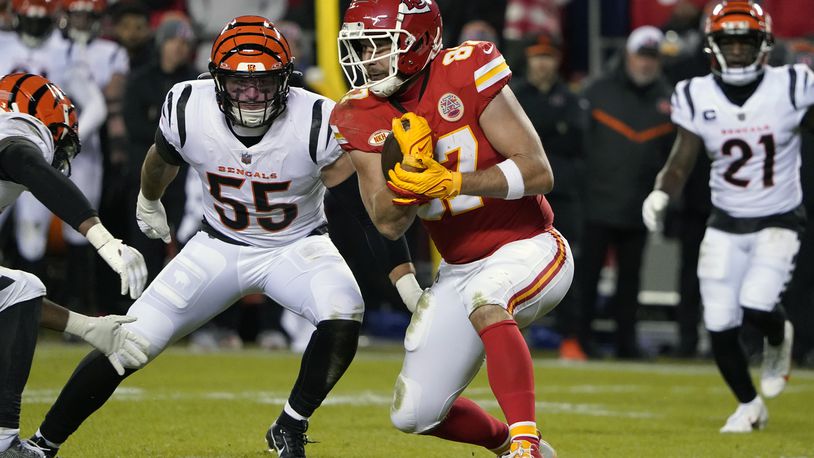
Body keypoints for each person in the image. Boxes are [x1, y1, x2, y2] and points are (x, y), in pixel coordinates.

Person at [28, 16, 422, 458]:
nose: (252, 96)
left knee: (344, 309)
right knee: (128, 342)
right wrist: (149, 200)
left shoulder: (317, 119)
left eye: (265, 83)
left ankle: (290, 424)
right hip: (216, 245)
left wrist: (403, 279)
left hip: (295, 245)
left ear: (285, 81)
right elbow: (161, 159)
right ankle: (43, 444)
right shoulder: (186, 106)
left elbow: (361, 208)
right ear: (216, 80)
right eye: (238, 84)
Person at [331, 1, 574, 457]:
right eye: (360, 46)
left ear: (419, 42)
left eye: (379, 45)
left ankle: (523, 441)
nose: (366, 58)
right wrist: (407, 184)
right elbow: (387, 222)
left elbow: (539, 172)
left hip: (529, 245)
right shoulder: (358, 113)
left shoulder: (466, 69)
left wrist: (452, 180)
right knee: (414, 414)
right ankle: (516, 446)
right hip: (458, 267)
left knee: (489, 300)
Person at [642, 0, 810, 432]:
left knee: (756, 303)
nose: (736, 50)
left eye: (745, 41)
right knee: (718, 320)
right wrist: (662, 192)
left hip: (778, 217)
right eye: (728, 41)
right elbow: (682, 159)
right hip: (724, 221)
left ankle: (777, 336)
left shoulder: (793, 85)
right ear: (713, 45)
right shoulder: (695, 94)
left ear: (763, 44)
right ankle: (749, 405)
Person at [0, 72, 148, 457]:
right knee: (23, 285)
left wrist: (85, 327)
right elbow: (25, 161)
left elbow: (12, 299)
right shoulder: (16, 131)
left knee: (18, 288)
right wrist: (103, 239)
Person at [577, 25, 674, 359]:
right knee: (586, 275)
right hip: (597, 201)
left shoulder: (669, 99)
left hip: (638, 204)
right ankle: (578, 339)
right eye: (641, 56)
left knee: (630, 281)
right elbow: (580, 149)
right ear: (628, 56)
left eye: (652, 57)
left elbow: (672, 158)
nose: (646, 64)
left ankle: (625, 343)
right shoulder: (598, 91)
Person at [512, 32, 587, 361]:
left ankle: (570, 337)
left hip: (563, 195)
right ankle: (515, 336)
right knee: (514, 266)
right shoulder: (512, 96)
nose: (543, 64)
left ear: (557, 62)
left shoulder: (571, 99)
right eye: (537, 57)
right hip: (521, 196)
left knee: (569, 266)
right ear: (528, 60)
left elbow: (576, 142)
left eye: (548, 57)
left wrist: (534, 137)